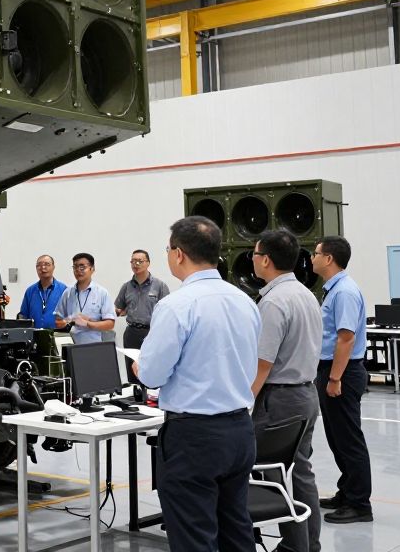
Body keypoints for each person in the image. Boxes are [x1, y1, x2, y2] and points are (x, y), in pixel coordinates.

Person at [133, 216, 260, 552]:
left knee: (193, 536)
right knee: (236, 529)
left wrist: (139, 365)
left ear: (178, 254)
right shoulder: (245, 301)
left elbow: (152, 376)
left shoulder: (176, 306)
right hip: (239, 429)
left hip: (194, 438)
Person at [250, 230, 322, 552]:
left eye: (254, 254)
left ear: (265, 259)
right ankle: (306, 545)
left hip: (279, 399)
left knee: (272, 473)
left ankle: (293, 546)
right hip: (306, 394)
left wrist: (243, 402)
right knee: (301, 471)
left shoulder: (274, 301)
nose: (252, 260)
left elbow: (263, 364)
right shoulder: (306, 294)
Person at [311, 235, 373, 524]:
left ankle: (360, 504)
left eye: (316, 253)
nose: (312, 258)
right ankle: (347, 492)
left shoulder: (344, 292)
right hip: (333, 370)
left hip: (342, 372)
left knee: (349, 439)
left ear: (328, 259)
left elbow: (345, 338)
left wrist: (335, 378)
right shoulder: (333, 290)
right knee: (338, 438)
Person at [114, 249, 169, 383]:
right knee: (132, 372)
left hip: (152, 333)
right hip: (131, 333)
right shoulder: (126, 287)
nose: (136, 264)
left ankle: (151, 399)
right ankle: (135, 398)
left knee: (151, 370)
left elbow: (167, 312)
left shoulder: (160, 286)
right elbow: (118, 309)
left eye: (140, 261)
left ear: (148, 263)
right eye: (133, 261)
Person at [54, 253, 115, 344]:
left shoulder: (102, 293)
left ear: (92, 269)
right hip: (72, 345)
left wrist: (87, 323)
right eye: (75, 267)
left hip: (95, 345)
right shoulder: (68, 293)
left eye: (82, 267)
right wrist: (69, 320)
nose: (78, 270)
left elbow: (110, 324)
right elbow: (57, 321)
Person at [17, 254, 67, 329]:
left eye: (47, 264)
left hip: (57, 336)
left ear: (53, 267)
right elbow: (23, 315)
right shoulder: (30, 291)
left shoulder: (64, 290)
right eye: (39, 265)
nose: (43, 268)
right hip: (34, 336)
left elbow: (71, 316)